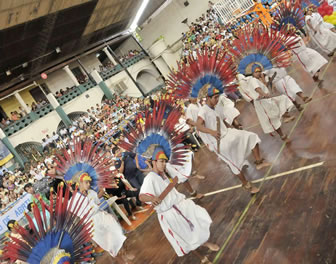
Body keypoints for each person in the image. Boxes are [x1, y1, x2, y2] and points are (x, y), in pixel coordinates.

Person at [139, 147, 219, 263]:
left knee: (198, 221)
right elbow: (141, 196)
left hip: (180, 205)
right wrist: (152, 198)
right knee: (185, 237)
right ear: (154, 162)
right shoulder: (150, 178)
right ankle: (202, 258)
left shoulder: (163, 174)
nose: (164, 164)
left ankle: (205, 243)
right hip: (169, 214)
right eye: (161, 161)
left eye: (165, 161)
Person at [197, 86, 271, 194]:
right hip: (218, 142)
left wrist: (235, 126)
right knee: (235, 164)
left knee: (251, 137)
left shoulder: (216, 108)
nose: (217, 100)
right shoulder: (203, 111)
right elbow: (199, 126)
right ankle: (247, 185)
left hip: (227, 133)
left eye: (218, 97)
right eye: (215, 98)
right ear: (208, 97)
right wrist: (211, 132)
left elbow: (223, 120)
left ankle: (259, 162)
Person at [71, 172, 133, 262]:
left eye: (89, 182)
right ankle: (122, 258)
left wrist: (106, 214)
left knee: (118, 233)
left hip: (101, 216)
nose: (88, 184)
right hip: (92, 224)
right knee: (109, 243)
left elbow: (97, 205)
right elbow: (77, 216)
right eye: (86, 182)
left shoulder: (92, 193)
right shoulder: (75, 199)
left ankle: (125, 254)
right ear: (79, 183)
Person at [237, 64, 294, 141]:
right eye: (256, 72)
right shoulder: (253, 80)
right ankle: (283, 129)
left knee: (282, 100)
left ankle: (284, 116)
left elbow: (262, 87)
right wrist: (264, 94)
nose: (259, 73)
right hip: (262, 102)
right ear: (252, 73)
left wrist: (263, 80)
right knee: (273, 117)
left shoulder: (255, 79)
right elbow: (257, 89)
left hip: (264, 100)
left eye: (260, 71)